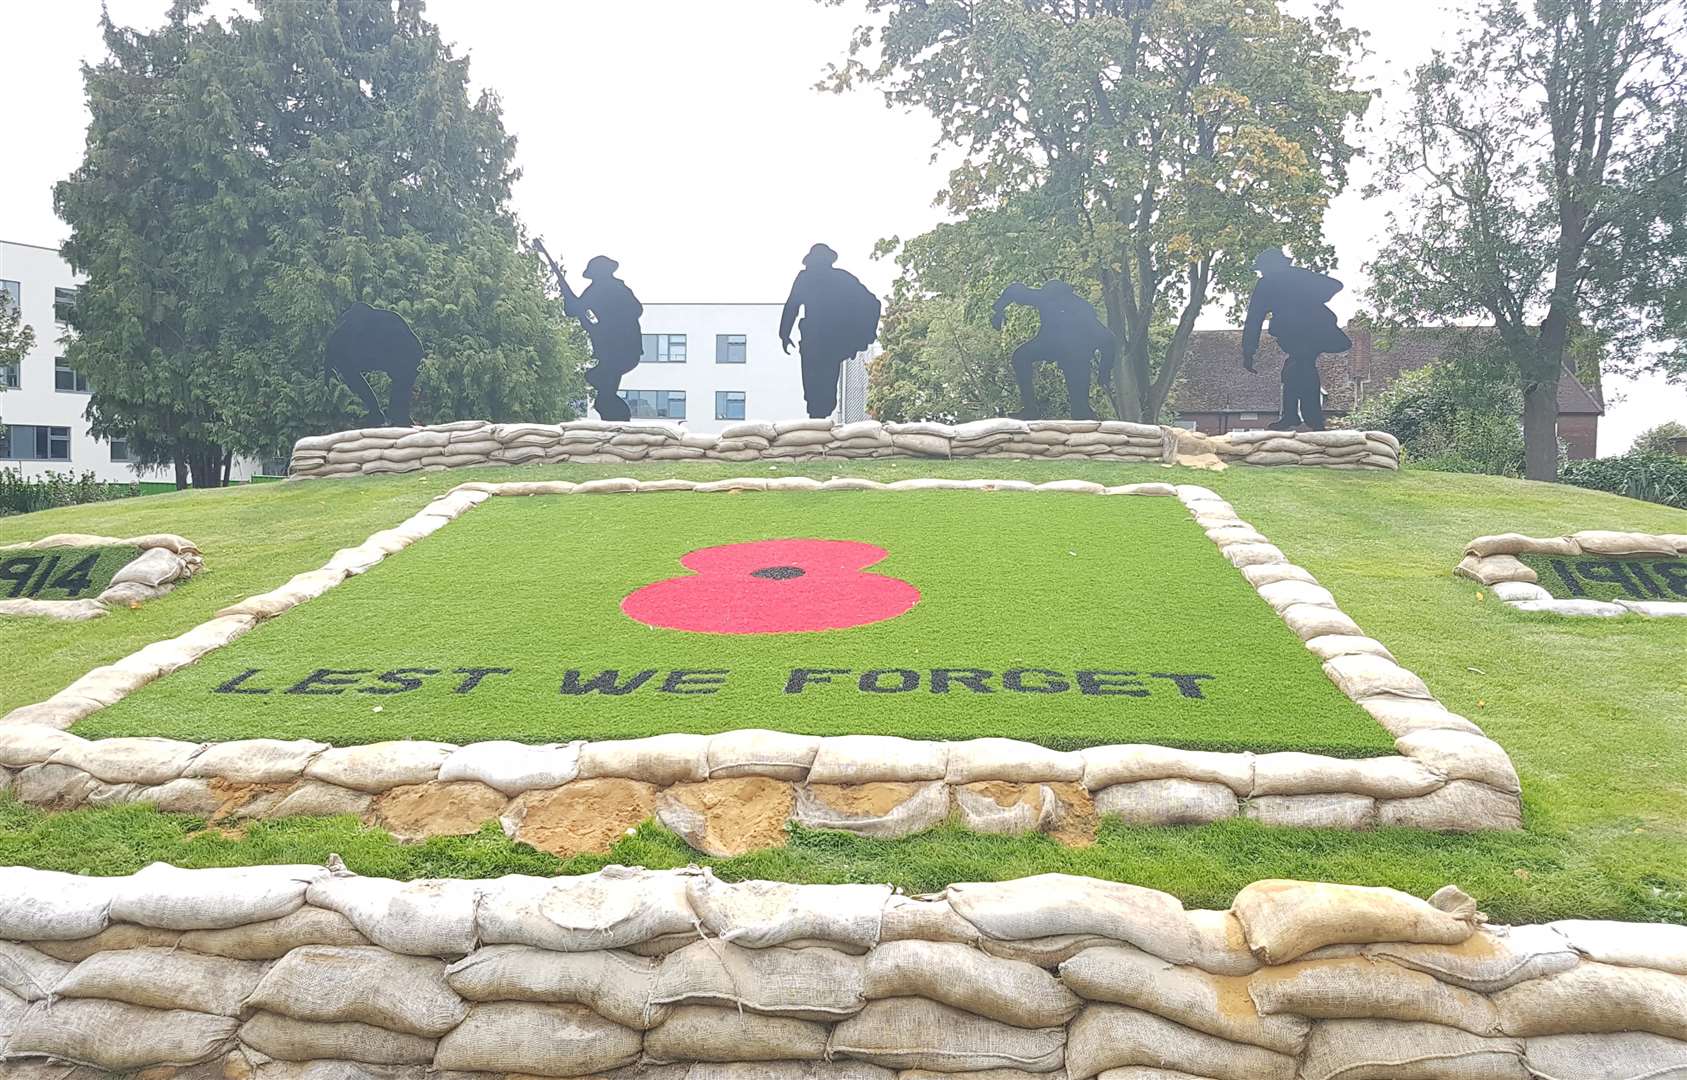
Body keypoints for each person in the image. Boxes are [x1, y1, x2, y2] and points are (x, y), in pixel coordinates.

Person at [1241, 248, 1352, 431]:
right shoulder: (1290, 278)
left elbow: (1254, 318)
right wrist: (1248, 349)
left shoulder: (1274, 282)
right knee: (1296, 367)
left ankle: (1307, 418)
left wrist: (1249, 351)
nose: (1262, 273)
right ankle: (1299, 416)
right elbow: (1254, 318)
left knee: (1299, 366)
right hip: (1301, 331)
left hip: (1308, 331)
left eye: (1264, 269)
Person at [779, 244, 882, 418]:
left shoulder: (836, 279)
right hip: (817, 340)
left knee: (822, 386)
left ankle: (819, 418)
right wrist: (784, 333)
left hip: (828, 342)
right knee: (815, 386)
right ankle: (817, 418)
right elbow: (792, 306)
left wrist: (859, 334)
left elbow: (871, 303)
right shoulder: (819, 278)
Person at [991, 281, 1118, 421]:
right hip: (1053, 345)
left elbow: (1108, 340)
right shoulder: (1052, 300)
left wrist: (1104, 372)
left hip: (1074, 355)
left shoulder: (1070, 305)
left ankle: (1033, 409)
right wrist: (1104, 372)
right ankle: (1030, 409)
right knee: (1020, 356)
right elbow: (1108, 340)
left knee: (1080, 410)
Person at [570, 255, 644, 422]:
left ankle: (619, 419)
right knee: (601, 389)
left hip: (624, 348)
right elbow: (574, 309)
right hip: (608, 348)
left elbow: (636, 310)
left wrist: (610, 324)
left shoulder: (618, 288)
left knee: (602, 389)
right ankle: (615, 418)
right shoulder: (593, 290)